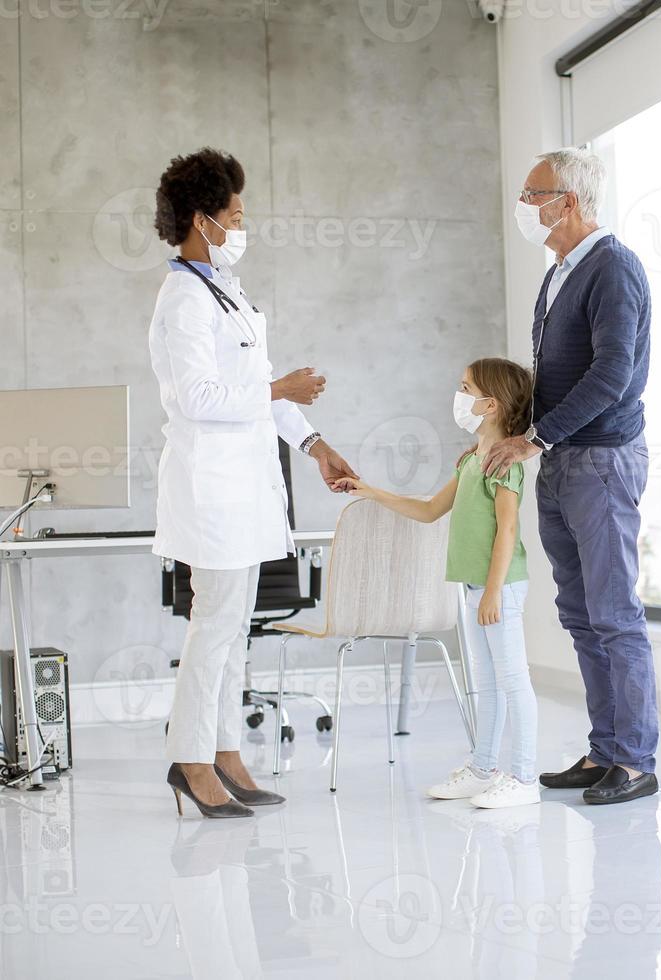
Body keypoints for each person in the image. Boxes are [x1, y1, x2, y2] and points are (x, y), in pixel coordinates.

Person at [149, 148, 357, 818]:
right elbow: (199, 397)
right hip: (211, 490)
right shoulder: (183, 299)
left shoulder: (226, 293)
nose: (243, 225)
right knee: (213, 627)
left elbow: (260, 395)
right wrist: (277, 386)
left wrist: (316, 444)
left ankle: (227, 751)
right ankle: (190, 760)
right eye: (234, 215)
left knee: (232, 626)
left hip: (244, 486)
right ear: (203, 220)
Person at [483, 148, 658, 805]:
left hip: (602, 462)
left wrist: (538, 437)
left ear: (569, 201)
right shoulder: (559, 271)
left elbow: (613, 375)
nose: (525, 206)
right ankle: (606, 750)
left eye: (535, 194)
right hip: (559, 460)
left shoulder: (614, 268)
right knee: (582, 614)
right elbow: (555, 371)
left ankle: (635, 760)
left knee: (614, 614)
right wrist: (514, 432)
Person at [335, 358, 541, 809]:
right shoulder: (472, 461)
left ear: (489, 405)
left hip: (498, 589)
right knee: (485, 684)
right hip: (473, 587)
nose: (458, 394)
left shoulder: (505, 463)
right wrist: (370, 490)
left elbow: (508, 531)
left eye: (465, 388)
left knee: (512, 679)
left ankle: (525, 778)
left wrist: (492, 591)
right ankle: (483, 768)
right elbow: (430, 510)